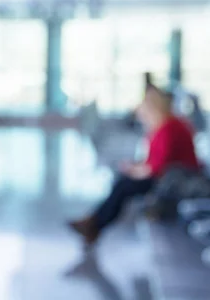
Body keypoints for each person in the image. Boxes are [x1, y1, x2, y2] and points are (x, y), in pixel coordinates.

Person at [68, 85, 199, 247]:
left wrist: (136, 171)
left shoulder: (169, 128)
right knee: (122, 182)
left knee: (124, 185)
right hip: (169, 176)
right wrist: (135, 168)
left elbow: (158, 168)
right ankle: (94, 222)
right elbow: (154, 161)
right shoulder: (163, 126)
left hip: (177, 180)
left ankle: (94, 223)